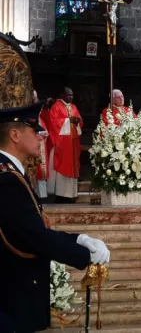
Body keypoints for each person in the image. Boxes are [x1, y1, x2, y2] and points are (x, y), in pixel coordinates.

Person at [0, 103, 110, 333]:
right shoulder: (7, 179)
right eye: (34, 131)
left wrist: (78, 238)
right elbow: (33, 237)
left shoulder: (9, 171)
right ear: (15, 135)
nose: (41, 138)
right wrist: (84, 255)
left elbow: (29, 228)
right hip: (12, 296)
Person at [47, 88, 83, 201]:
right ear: (62, 95)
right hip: (62, 143)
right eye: (69, 95)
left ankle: (71, 194)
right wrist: (68, 120)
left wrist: (77, 121)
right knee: (62, 166)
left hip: (72, 143)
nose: (71, 97)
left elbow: (80, 121)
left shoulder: (73, 107)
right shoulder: (56, 106)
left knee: (72, 167)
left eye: (72, 95)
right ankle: (61, 195)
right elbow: (53, 122)